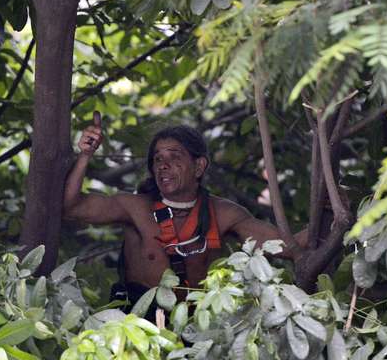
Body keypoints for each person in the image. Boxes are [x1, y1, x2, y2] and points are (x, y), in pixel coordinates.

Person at [63, 112, 300, 312]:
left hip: (196, 329)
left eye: (174, 157)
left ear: (199, 166)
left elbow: (289, 247)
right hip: (138, 329)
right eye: (157, 160)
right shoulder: (134, 208)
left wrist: (332, 214)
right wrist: (85, 156)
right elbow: (73, 207)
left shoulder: (224, 213)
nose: (163, 165)